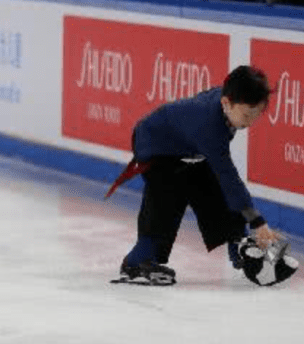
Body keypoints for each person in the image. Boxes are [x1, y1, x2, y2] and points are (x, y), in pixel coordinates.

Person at [107, 66, 283, 286]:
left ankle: (240, 250)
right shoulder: (209, 126)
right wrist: (258, 222)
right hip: (154, 145)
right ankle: (136, 262)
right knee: (168, 199)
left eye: (256, 116)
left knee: (216, 190)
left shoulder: (226, 104)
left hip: (185, 149)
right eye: (247, 115)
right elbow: (228, 175)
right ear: (226, 103)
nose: (249, 123)